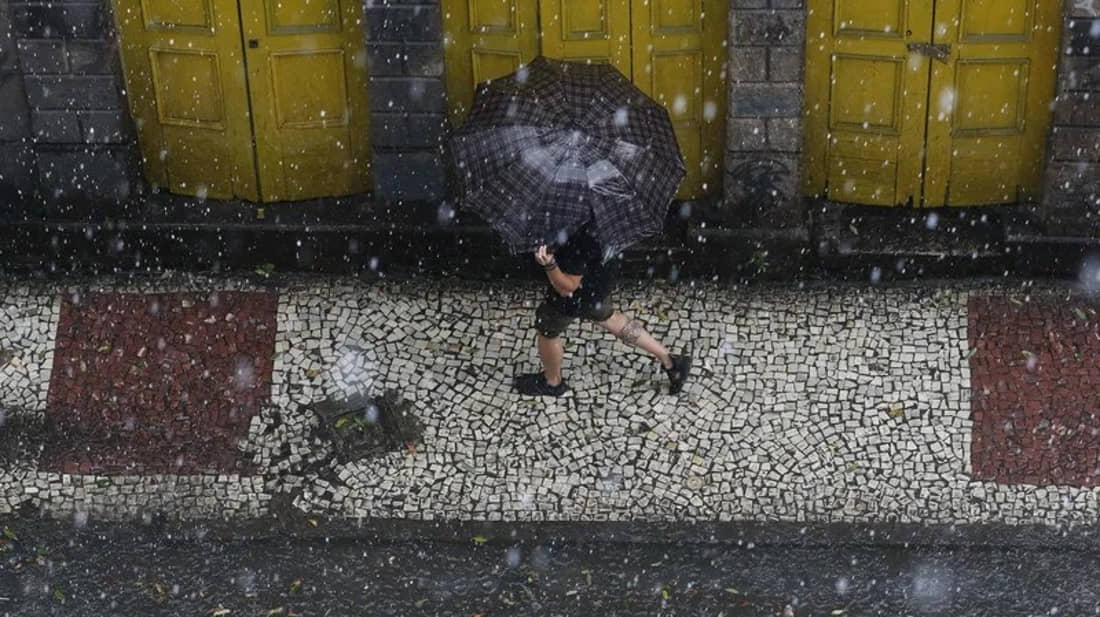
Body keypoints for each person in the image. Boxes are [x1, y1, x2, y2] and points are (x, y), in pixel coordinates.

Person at [513, 225, 691, 397]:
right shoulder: (604, 216)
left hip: (577, 295)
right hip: (598, 284)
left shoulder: (577, 234)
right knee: (610, 317)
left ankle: (552, 382)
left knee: (547, 329)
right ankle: (671, 361)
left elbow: (567, 288)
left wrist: (549, 264)